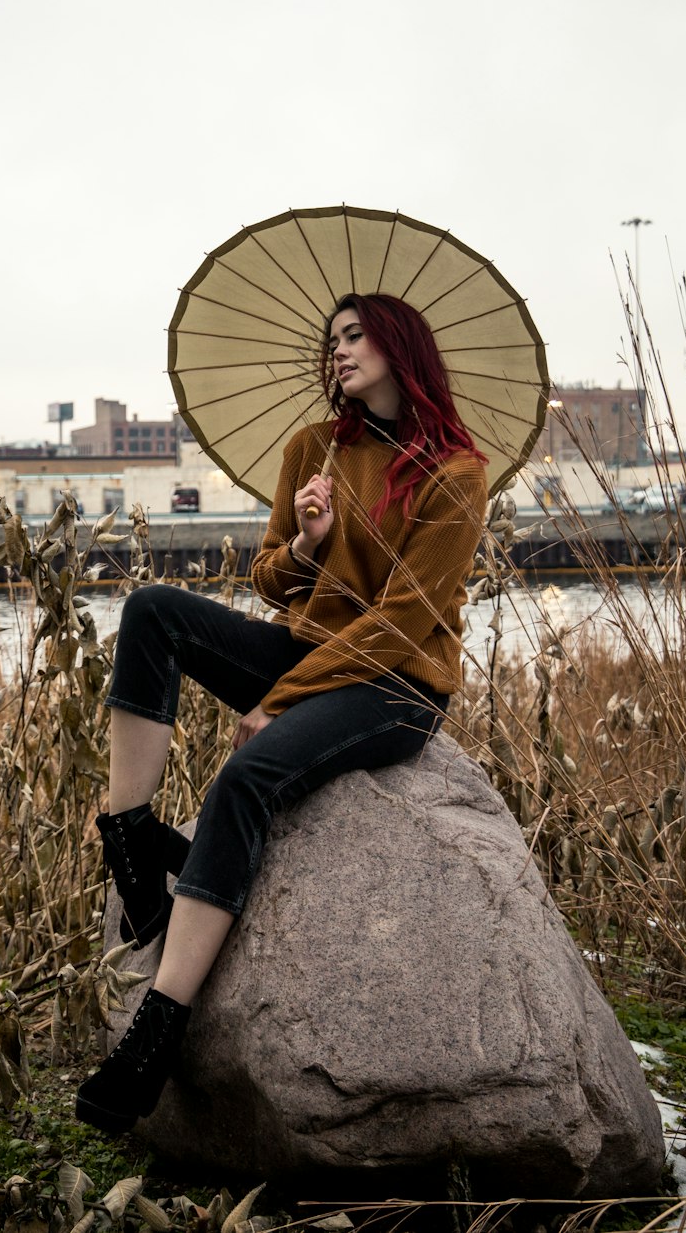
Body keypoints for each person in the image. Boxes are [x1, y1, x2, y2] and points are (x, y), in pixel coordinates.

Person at [75, 292, 489, 1134]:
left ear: (399, 345)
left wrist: (281, 701)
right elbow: (269, 577)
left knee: (249, 774)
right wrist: (305, 543)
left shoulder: (456, 473)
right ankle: (129, 831)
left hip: (398, 685)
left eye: (354, 336)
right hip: (309, 652)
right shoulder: (315, 448)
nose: (337, 352)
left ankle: (158, 1030)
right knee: (153, 611)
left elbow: (404, 622)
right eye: (331, 340)